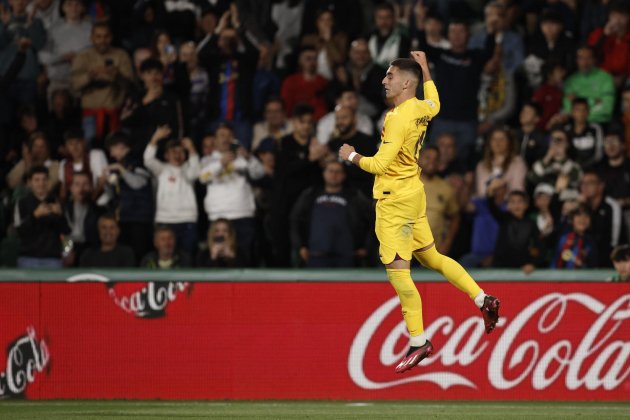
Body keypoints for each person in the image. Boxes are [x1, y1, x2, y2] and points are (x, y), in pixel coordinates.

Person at [338, 51, 500, 374]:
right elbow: (436, 101)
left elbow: (379, 164)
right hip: (414, 193)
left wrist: (351, 155)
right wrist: (426, 67)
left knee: (399, 275)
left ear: (406, 82)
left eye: (390, 76)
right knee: (433, 257)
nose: (384, 81)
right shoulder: (422, 108)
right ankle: (483, 299)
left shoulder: (397, 117)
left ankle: (418, 341)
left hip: (394, 202)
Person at [290, 160, 372, 268]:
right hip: (315, 255)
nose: (334, 175)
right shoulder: (310, 194)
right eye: (331, 171)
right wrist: (300, 246)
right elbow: (294, 220)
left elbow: (373, 220)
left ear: (344, 175)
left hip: (347, 256)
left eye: (338, 172)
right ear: (324, 173)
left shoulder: (354, 196)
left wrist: (366, 247)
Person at [143, 125, 200, 257]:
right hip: (165, 220)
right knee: (165, 257)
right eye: (173, 151)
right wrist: (155, 138)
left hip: (188, 220)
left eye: (181, 151)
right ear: (166, 155)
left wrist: (192, 149)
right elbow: (148, 160)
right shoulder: (162, 169)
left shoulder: (189, 168)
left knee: (187, 256)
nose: (177, 154)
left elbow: (195, 173)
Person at [14, 166, 70, 268]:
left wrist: (60, 215)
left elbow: (67, 232)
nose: (41, 183)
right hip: (28, 258)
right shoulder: (22, 203)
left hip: (53, 258)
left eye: (44, 179)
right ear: (30, 183)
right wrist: (35, 216)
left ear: (48, 181)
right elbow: (19, 232)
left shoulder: (58, 203)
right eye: (37, 180)